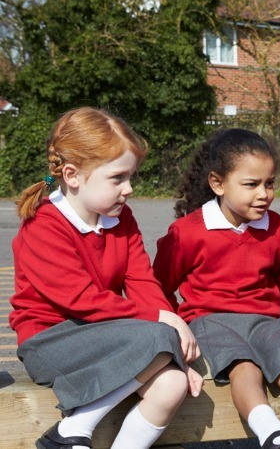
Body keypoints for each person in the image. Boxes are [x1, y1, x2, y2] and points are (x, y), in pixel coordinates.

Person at [9, 107, 202, 449]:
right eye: (117, 178)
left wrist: (170, 339)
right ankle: (72, 429)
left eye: (131, 177)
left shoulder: (120, 218)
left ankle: (74, 431)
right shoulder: (44, 225)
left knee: (172, 384)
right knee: (160, 336)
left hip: (105, 336)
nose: (128, 189)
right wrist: (164, 325)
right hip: (50, 342)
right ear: (72, 175)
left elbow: (142, 282)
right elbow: (79, 300)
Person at [153, 129, 280, 449]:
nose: (264, 193)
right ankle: (273, 434)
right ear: (217, 183)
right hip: (212, 321)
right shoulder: (187, 232)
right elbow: (159, 286)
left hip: (265, 321)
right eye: (251, 185)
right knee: (244, 366)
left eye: (269, 183)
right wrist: (177, 330)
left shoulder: (279, 229)